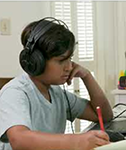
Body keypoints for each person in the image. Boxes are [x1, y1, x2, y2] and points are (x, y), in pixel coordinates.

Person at [0, 17, 113, 150]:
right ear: (37, 61)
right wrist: (77, 141)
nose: (69, 67)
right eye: (61, 60)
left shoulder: (57, 93)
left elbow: (103, 115)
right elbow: (19, 140)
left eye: (69, 59)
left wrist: (87, 76)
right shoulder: (15, 92)